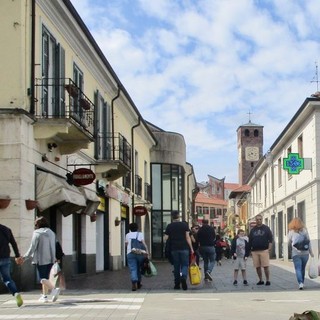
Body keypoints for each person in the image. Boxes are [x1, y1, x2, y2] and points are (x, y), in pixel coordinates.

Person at [22, 216, 60, 302]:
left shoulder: (37, 233)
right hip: (51, 259)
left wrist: (24, 257)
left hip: (41, 259)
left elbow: (33, 247)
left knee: (42, 279)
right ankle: (44, 296)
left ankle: (54, 290)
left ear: (37, 224)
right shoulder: (51, 232)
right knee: (46, 278)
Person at [164, 211, 194, 290]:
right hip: (184, 248)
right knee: (185, 264)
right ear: (179, 216)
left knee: (176, 266)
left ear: (172, 217)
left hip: (174, 249)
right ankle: (183, 276)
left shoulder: (169, 226)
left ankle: (177, 284)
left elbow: (165, 238)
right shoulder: (184, 225)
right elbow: (188, 237)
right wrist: (191, 248)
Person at [0, 223, 23, 307]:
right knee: (7, 278)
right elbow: (13, 243)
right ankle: (15, 293)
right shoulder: (6, 229)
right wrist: (17, 255)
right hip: (5, 257)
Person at [288, 217, 314, 290]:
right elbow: (308, 242)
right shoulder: (305, 231)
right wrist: (311, 252)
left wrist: (290, 251)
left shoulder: (291, 232)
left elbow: (289, 243)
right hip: (305, 253)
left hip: (296, 253)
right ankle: (302, 282)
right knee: (302, 268)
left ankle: (300, 283)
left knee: (298, 269)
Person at [248, 214, 273, 286]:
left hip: (264, 250)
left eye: (260, 219)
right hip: (255, 251)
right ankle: (261, 280)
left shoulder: (266, 228)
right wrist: (249, 251)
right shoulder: (253, 230)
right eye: (257, 219)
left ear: (262, 220)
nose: (259, 221)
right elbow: (250, 240)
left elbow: (270, 239)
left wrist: (269, 248)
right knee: (257, 267)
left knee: (266, 266)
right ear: (255, 220)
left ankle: (268, 280)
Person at [125, 222, 149, 291]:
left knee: (133, 268)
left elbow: (126, 245)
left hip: (130, 253)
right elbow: (144, 243)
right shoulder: (140, 234)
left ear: (130, 228)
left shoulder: (127, 235)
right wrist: (147, 252)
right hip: (140, 253)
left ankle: (134, 282)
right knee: (139, 268)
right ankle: (139, 282)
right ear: (137, 228)